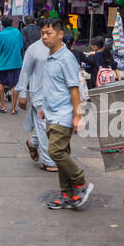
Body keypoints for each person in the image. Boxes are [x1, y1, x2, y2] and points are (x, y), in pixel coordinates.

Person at [40, 19, 93, 211]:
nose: (45, 37)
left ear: (60, 34)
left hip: (64, 114)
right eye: (43, 33)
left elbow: (74, 88)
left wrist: (78, 115)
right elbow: (54, 86)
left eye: (49, 33)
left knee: (55, 151)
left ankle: (81, 182)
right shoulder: (50, 56)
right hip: (51, 113)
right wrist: (44, 107)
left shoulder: (66, 58)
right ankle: (67, 195)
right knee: (62, 154)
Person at [15, 33, 55, 170]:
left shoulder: (62, 49)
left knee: (53, 125)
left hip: (57, 95)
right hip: (39, 95)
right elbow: (25, 71)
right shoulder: (34, 49)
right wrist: (22, 93)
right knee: (44, 126)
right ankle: (48, 161)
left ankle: (33, 143)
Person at [0, 14, 24, 114]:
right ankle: (13, 109)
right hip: (16, 62)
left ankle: (2, 106)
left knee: (1, 83)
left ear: (2, 24)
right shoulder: (17, 32)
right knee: (15, 85)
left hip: (4, 62)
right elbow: (21, 45)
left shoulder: (1, 34)